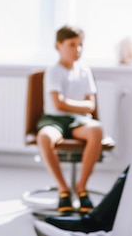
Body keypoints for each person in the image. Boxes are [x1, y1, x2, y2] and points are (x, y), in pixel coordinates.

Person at [37, 25, 103, 213]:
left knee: (96, 130)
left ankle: (82, 187)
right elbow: (58, 105)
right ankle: (63, 189)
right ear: (58, 45)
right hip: (54, 120)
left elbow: (91, 106)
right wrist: (79, 105)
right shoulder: (53, 71)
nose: (78, 50)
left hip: (78, 121)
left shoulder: (85, 71)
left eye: (80, 45)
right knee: (45, 137)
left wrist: (70, 104)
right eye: (72, 45)